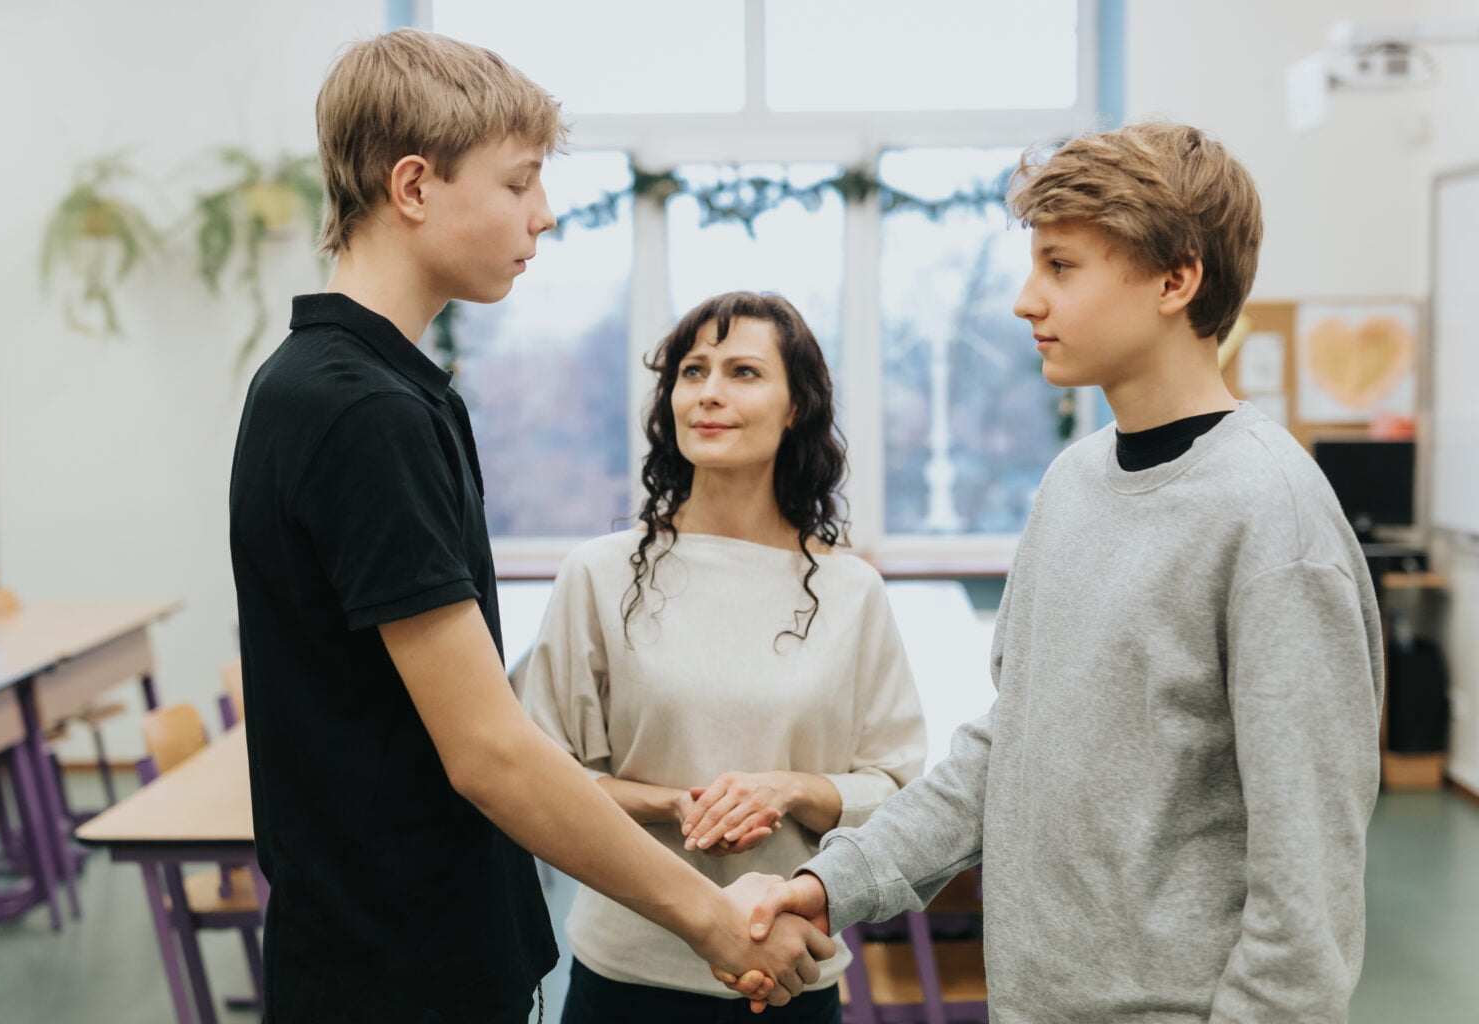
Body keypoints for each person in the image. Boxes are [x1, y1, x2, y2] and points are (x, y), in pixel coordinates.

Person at [228, 30, 832, 1024]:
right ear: (413, 186)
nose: (542, 213)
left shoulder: (362, 388)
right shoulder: (360, 410)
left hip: (410, 950)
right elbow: (489, 751)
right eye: (518, 183)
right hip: (394, 976)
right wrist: (710, 917)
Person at [738, 122, 1385, 1021]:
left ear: (1175, 281)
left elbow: (1307, 895)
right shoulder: (1072, 484)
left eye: (1061, 266)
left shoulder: (1274, 519)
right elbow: (1007, 749)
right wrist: (828, 886)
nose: (1024, 300)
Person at [520, 291, 927, 1023]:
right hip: (626, 976)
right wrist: (673, 804)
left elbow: (898, 788)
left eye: (743, 372)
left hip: (793, 971)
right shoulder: (598, 575)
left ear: (796, 406)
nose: (709, 393)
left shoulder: (852, 590)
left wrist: (789, 790)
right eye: (693, 371)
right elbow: (542, 780)